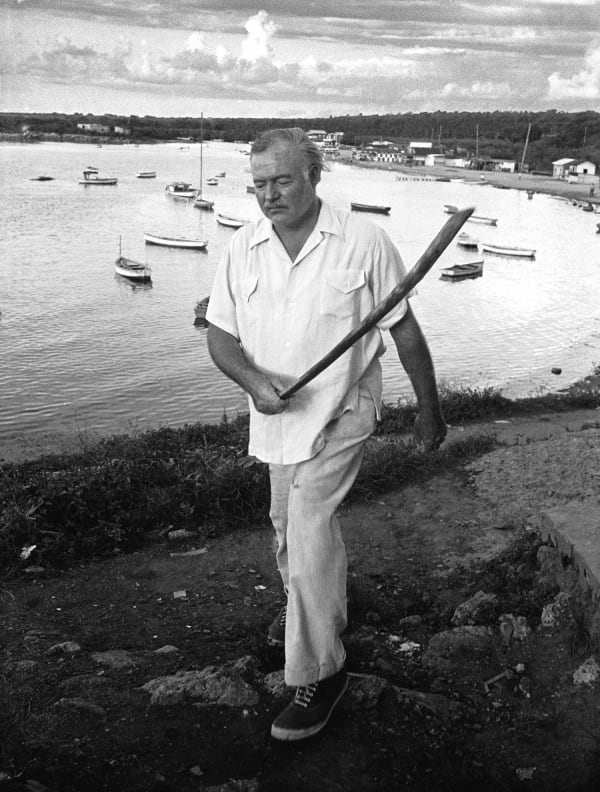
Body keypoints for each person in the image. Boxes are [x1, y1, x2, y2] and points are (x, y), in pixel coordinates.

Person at [205, 127, 446, 742]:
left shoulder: (364, 240)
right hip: (278, 415)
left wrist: (429, 408)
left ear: (315, 174)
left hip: (344, 407)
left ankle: (320, 671)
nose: (268, 195)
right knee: (288, 529)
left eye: (282, 180)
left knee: (310, 519)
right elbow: (220, 336)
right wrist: (254, 382)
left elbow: (405, 330)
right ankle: (314, 614)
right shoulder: (242, 247)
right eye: (258, 184)